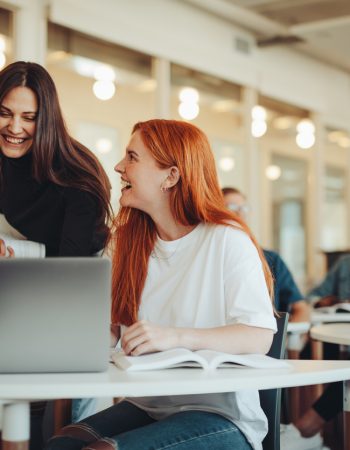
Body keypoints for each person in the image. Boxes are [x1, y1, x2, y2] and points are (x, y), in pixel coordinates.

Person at [46, 119, 277, 450]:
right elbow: (114, 330)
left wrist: (175, 337)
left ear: (171, 176)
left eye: (132, 157)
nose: (119, 166)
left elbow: (258, 336)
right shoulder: (126, 243)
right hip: (148, 406)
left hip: (221, 417)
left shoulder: (227, 239)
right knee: (60, 444)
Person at [0, 61, 112, 448]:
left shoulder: (77, 174)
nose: (14, 128)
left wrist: (15, 252)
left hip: (76, 300)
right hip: (25, 290)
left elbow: (72, 275)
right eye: (4, 113)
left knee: (51, 416)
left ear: (46, 119)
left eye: (28, 117)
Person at [281, 256, 350, 450]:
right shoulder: (345, 264)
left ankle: (306, 429)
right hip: (339, 337)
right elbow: (312, 296)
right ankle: (306, 430)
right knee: (310, 351)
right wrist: (324, 302)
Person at [221, 187, 309, 322]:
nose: (240, 213)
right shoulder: (212, 259)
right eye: (231, 207)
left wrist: (288, 338)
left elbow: (301, 307)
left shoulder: (272, 259)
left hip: (268, 338)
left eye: (244, 208)